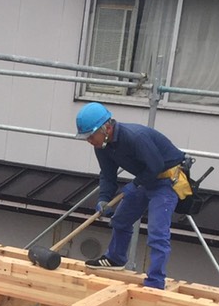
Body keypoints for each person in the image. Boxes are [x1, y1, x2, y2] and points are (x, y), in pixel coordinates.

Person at [75, 102, 188, 290]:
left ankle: (155, 281)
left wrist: (134, 185)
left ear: (106, 128)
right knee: (120, 219)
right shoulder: (102, 146)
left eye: (91, 136)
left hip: (166, 181)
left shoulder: (135, 137)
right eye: (86, 137)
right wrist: (104, 198)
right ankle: (115, 259)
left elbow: (156, 166)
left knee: (157, 232)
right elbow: (108, 175)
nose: (89, 140)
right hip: (145, 179)